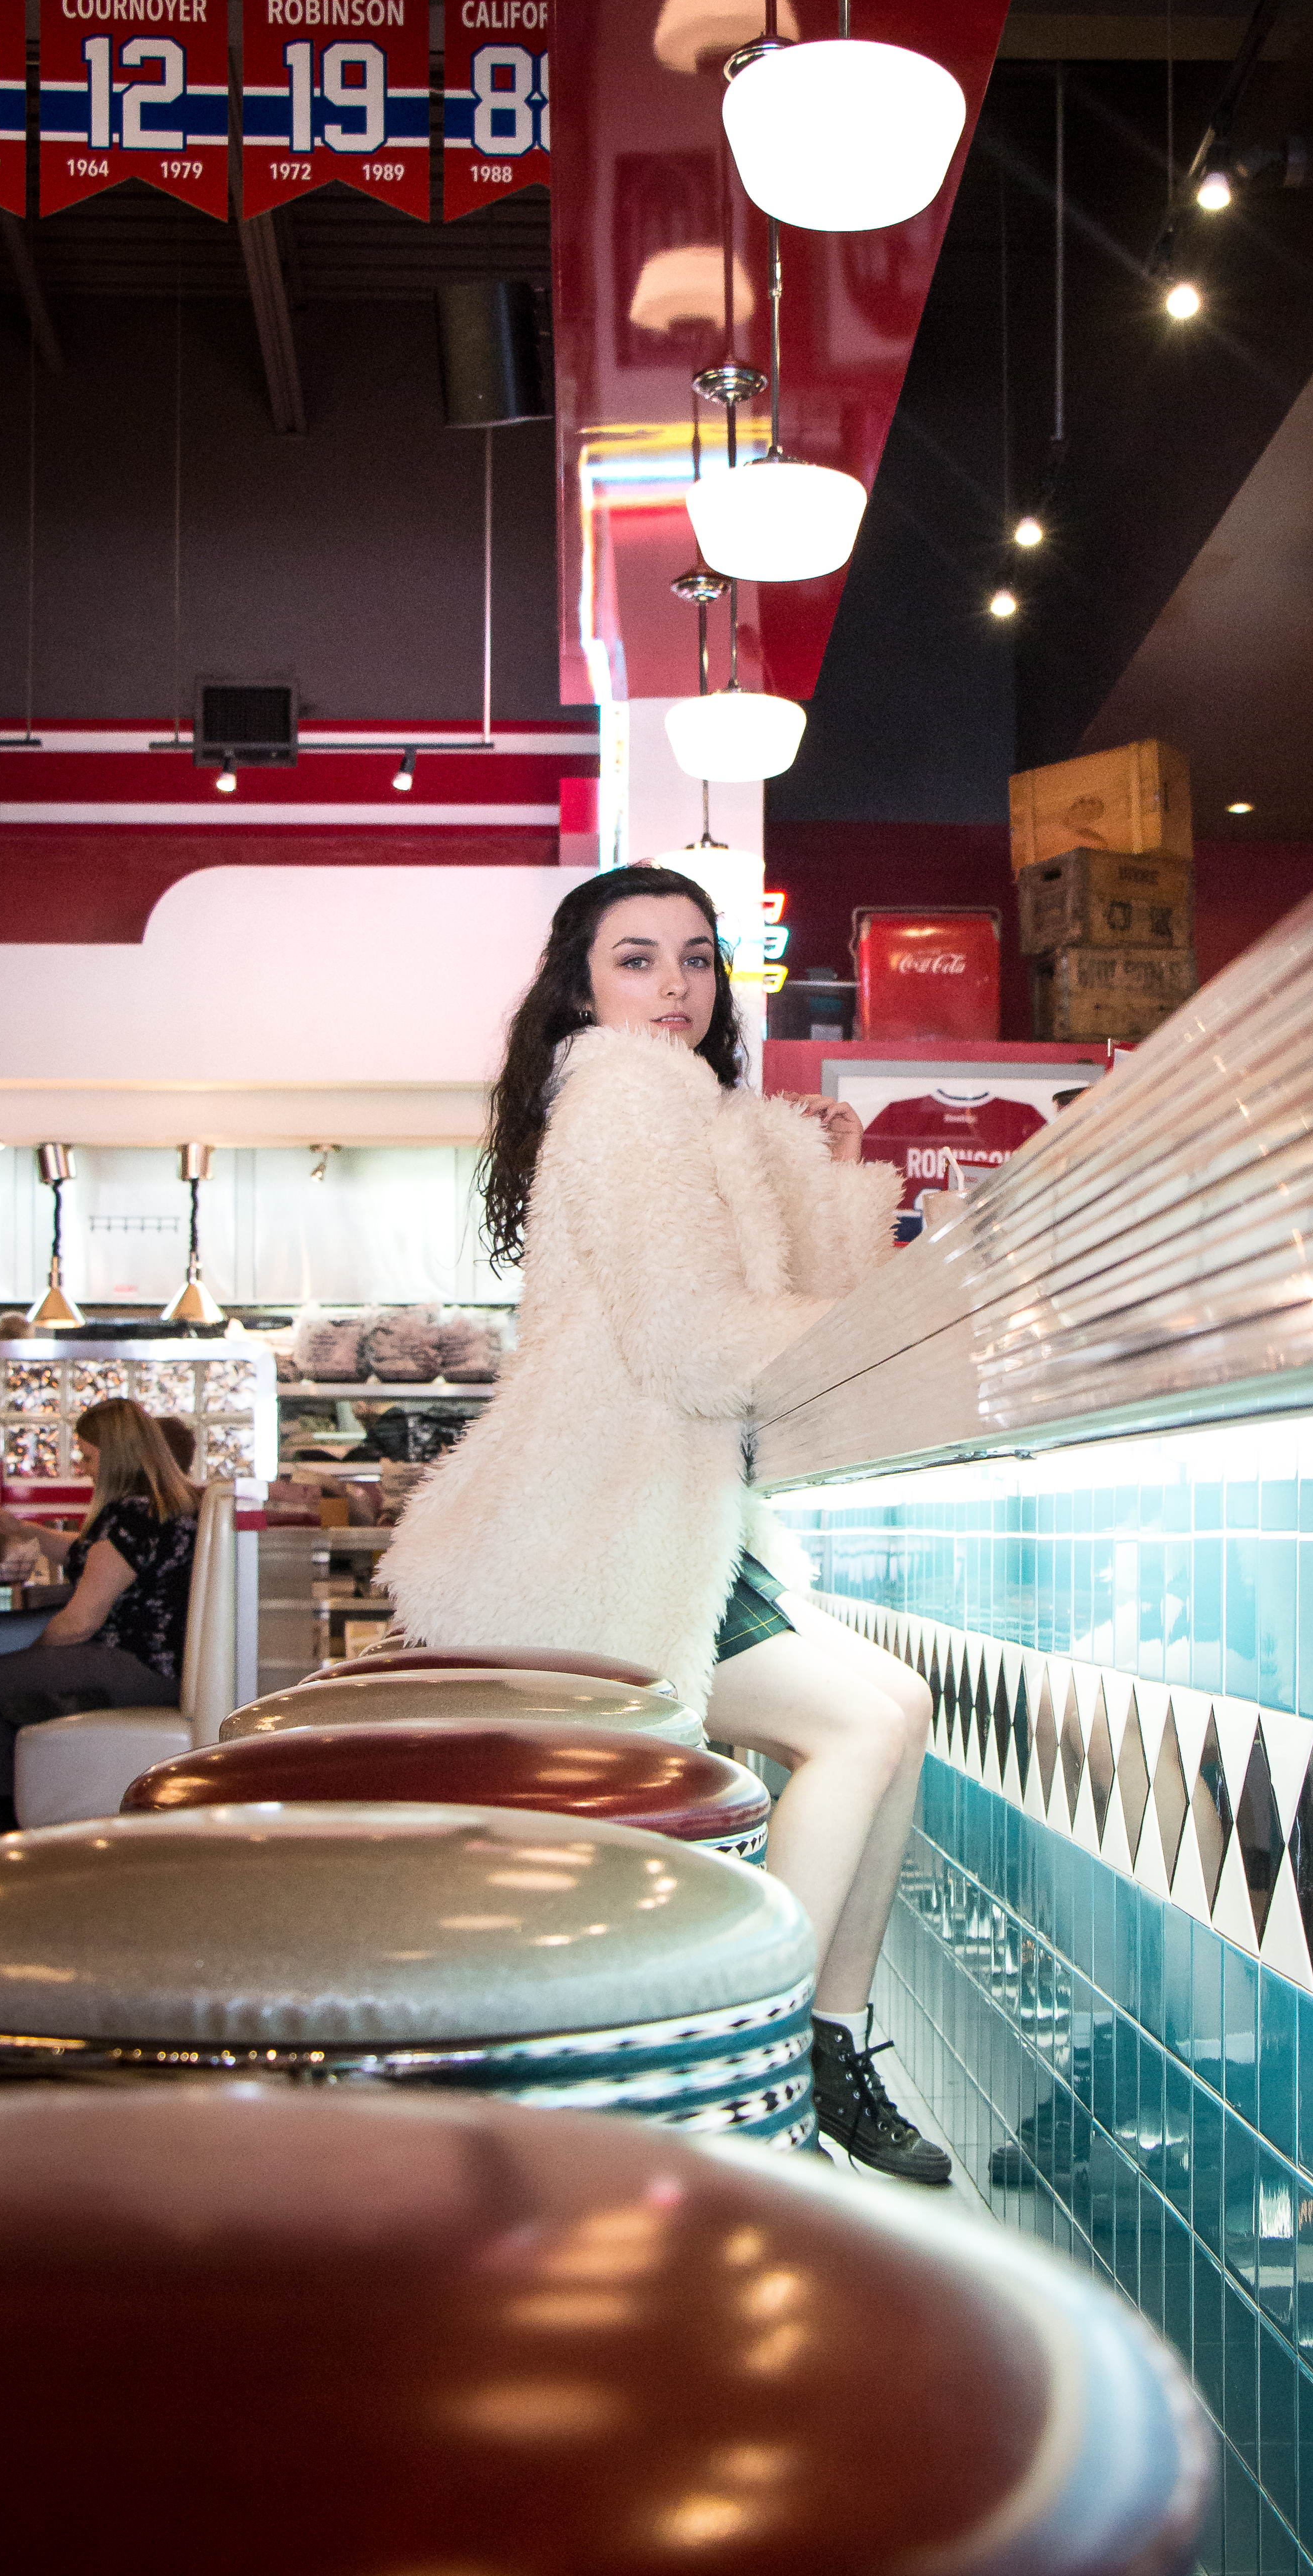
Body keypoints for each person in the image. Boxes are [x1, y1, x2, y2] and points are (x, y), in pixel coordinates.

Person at [385, 866, 949, 2185]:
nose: (676, 987)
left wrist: (831, 1173)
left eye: (696, 959)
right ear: (581, 981)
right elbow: (704, 1348)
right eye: (637, 959)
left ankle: (820, 2042)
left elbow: (776, 1311)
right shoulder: (626, 1103)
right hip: (596, 1539)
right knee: (872, 1719)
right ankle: (772, 2060)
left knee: (885, 1715)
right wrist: (912, 1326)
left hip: (651, 1520)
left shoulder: (685, 1115)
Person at [0, 1398, 199, 1833]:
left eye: (89, 1456)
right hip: (159, 1666)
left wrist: (35, 1657)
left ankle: (12, 1820)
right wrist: (26, 1532)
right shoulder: (160, 1507)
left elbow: (81, 1621)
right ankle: (15, 1808)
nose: (85, 1467)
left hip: (134, 1665)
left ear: (116, 1456)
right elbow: (87, 1554)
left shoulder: (132, 1515)